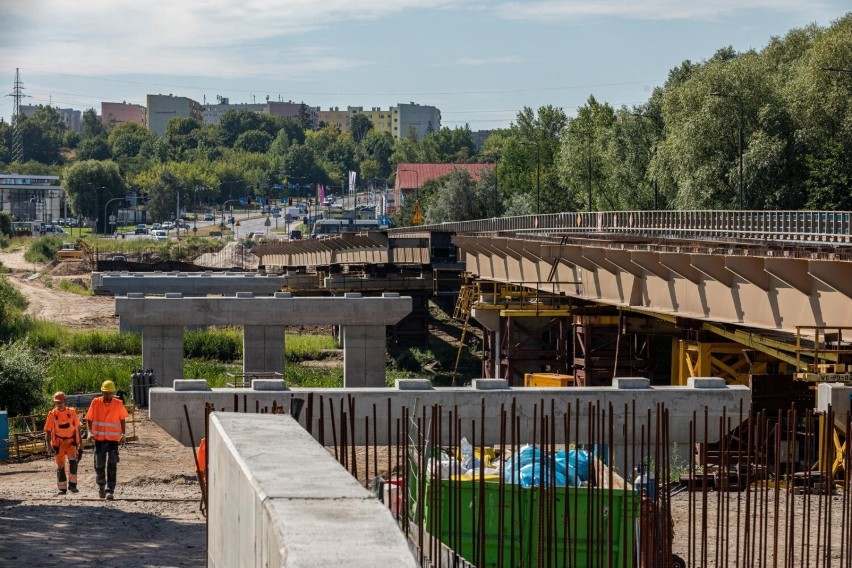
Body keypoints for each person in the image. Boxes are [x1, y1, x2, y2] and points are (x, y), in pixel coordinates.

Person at [85, 380, 129, 500]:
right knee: (99, 465)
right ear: (102, 392)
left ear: (113, 392)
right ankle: (101, 487)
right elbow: (89, 418)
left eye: (110, 393)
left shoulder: (118, 403)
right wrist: (89, 432)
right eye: (105, 393)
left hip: (113, 440)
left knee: (112, 465)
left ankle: (110, 490)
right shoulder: (96, 402)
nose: (108, 395)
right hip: (99, 439)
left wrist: (123, 434)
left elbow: (122, 419)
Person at [43, 391, 81, 495]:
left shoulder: (72, 412)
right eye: (57, 402)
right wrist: (49, 446)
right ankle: (62, 488)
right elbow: (47, 430)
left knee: (73, 462)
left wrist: (79, 443)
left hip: (71, 442)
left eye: (61, 402)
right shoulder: (52, 414)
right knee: (60, 466)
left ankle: (73, 485)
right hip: (58, 444)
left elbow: (77, 427)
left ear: (65, 401)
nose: (59, 404)